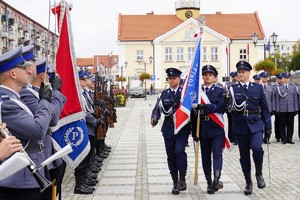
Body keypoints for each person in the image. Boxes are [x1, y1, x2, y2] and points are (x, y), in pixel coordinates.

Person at [0, 47, 54, 200]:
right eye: (24, 68)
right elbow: (37, 130)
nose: (29, 70)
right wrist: (44, 100)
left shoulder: (14, 98)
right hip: (18, 179)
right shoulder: (6, 103)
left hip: (26, 174)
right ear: (13, 74)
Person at [19, 55, 67, 200]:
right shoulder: (27, 94)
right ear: (42, 75)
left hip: (48, 150)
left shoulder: (36, 93)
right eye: (50, 74)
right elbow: (52, 120)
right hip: (41, 153)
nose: (54, 77)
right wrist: (56, 93)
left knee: (54, 190)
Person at [228, 61, 271, 195]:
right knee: (244, 155)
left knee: (257, 148)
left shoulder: (257, 88)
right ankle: (248, 182)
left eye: (243, 72)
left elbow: (265, 108)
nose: (240, 74)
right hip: (240, 124)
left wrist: (268, 126)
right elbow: (229, 107)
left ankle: (259, 173)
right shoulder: (232, 89)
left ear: (249, 73)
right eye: (239, 72)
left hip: (255, 122)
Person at [151, 68, 190, 195]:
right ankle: (175, 182)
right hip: (168, 128)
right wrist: (154, 118)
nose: (172, 80)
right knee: (171, 156)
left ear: (179, 79)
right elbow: (157, 108)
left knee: (179, 151)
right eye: (170, 78)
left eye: (174, 78)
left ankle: (182, 179)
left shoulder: (184, 93)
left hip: (182, 128)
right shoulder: (163, 94)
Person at [191, 65, 226, 194]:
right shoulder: (197, 91)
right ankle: (209, 182)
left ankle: (217, 179)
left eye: (210, 75)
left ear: (215, 78)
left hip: (216, 127)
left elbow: (222, 107)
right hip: (202, 128)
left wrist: (206, 107)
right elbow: (192, 114)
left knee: (217, 153)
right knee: (205, 157)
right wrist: (194, 131)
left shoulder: (220, 91)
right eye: (205, 74)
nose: (207, 76)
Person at [274, 72, 298, 144]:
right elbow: (277, 99)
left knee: (290, 125)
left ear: (289, 79)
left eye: (287, 78)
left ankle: (289, 138)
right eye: (285, 78)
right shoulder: (279, 88)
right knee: (282, 125)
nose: (286, 79)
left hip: (291, 108)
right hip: (282, 109)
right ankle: (283, 139)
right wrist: (277, 109)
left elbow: (295, 98)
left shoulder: (293, 87)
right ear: (282, 79)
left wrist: (296, 108)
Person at [259, 71, 275, 144]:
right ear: (261, 78)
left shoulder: (271, 87)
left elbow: (273, 99)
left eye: (266, 77)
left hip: (268, 109)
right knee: (260, 124)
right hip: (259, 109)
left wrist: (273, 108)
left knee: (268, 124)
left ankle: (267, 138)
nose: (265, 79)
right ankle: (260, 138)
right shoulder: (258, 87)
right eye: (263, 77)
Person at [225, 71, 238, 145]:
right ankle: (232, 137)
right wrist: (228, 107)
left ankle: (236, 138)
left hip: (238, 107)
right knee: (231, 123)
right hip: (231, 107)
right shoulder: (229, 85)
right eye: (236, 76)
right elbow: (227, 97)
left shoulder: (240, 85)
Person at [274, 73, 283, 142]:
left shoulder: (283, 86)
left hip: (283, 108)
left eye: (281, 78)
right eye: (279, 79)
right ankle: (277, 136)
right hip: (277, 107)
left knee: (282, 122)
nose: (280, 80)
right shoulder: (274, 87)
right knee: (277, 122)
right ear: (276, 79)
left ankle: (282, 135)